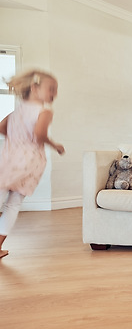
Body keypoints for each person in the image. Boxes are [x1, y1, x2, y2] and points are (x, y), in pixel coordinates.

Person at [0, 70, 65, 259]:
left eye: (56, 90)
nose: (55, 94)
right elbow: (39, 135)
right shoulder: (44, 111)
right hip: (29, 162)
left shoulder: (18, 110)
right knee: (13, 204)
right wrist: (55, 145)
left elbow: (1, 127)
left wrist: (16, 136)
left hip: (9, 158)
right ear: (34, 88)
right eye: (51, 89)